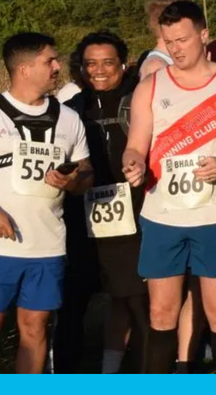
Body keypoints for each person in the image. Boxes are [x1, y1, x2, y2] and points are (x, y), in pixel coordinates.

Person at [121, 0, 216, 375]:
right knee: (161, 311)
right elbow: (137, 144)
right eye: (168, 42)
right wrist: (133, 163)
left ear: (204, 36)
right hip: (162, 214)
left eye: (183, 39)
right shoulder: (151, 87)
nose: (176, 49)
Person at [0, 34, 93, 374]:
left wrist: (73, 180)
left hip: (47, 246)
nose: (58, 67)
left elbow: (86, 176)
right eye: (49, 61)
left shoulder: (69, 118)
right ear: (23, 69)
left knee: (36, 330)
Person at [63, 32, 150, 374]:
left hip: (134, 219)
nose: (99, 71)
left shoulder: (139, 103)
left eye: (108, 62)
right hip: (80, 220)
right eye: (90, 64)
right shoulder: (70, 109)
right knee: (72, 306)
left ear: (124, 64)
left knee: (138, 304)